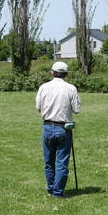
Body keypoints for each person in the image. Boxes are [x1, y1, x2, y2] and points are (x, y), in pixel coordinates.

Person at [35, 61, 81, 198]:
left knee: (49, 162)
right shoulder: (71, 88)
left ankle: (51, 188)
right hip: (63, 128)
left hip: (48, 126)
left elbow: (38, 106)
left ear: (52, 72)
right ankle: (58, 192)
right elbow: (77, 109)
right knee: (62, 162)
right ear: (66, 74)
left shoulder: (43, 87)